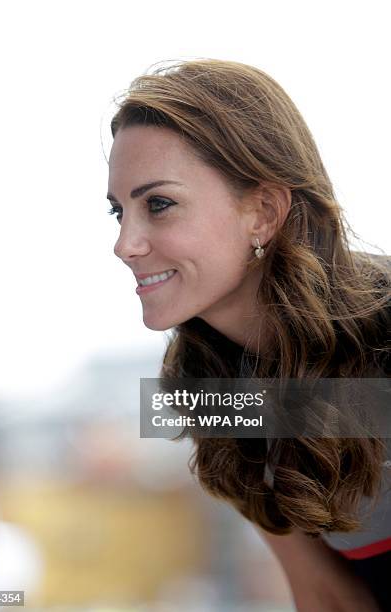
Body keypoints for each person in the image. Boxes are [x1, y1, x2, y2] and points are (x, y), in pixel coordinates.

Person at [106, 59, 391, 611]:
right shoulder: (206, 387)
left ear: (263, 211)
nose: (125, 244)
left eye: (158, 204)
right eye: (118, 212)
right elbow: (325, 595)